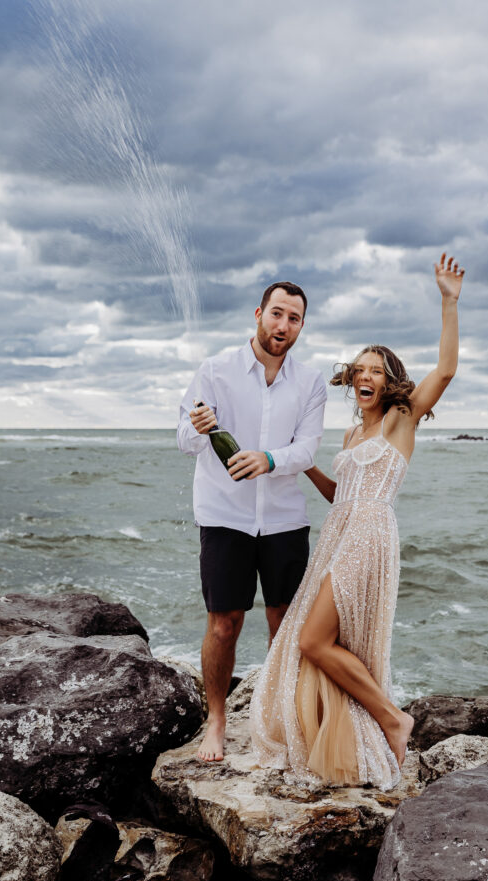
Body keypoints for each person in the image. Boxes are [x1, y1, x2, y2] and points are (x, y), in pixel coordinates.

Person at [250, 253, 465, 789]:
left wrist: (448, 300)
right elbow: (341, 495)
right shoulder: (350, 437)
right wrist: (299, 462)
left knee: (312, 641)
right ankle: (370, 721)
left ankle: (394, 718)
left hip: (370, 537)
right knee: (313, 640)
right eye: (361, 370)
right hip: (340, 534)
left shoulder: (400, 419)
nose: (367, 376)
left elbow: (446, 369)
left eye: (377, 371)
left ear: (389, 381)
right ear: (353, 381)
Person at [177, 282, 327, 762]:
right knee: (224, 624)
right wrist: (199, 430)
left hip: (284, 519)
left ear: (302, 326)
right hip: (224, 516)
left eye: (294, 319)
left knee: (284, 625)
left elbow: (306, 449)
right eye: (277, 314)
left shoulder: (310, 382)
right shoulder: (214, 371)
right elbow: (184, 437)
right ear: (259, 313)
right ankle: (216, 721)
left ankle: (279, 718)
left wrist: (268, 459)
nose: (283, 326)